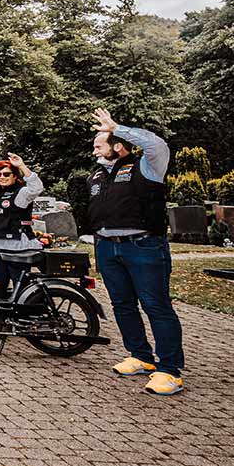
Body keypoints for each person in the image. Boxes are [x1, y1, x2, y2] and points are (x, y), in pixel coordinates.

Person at [89, 108, 184, 396]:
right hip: (108, 248)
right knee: (122, 305)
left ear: (117, 146)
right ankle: (141, 356)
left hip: (143, 247)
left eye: (99, 144)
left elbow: (158, 144)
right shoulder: (96, 176)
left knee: (156, 305)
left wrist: (117, 126)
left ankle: (170, 370)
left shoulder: (146, 165)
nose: (93, 149)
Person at [0, 154, 43, 299]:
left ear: (15, 176)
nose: (2, 177)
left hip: (17, 246)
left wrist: (21, 166)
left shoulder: (21, 192)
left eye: (6, 174)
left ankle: (26, 316)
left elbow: (36, 188)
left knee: (21, 285)